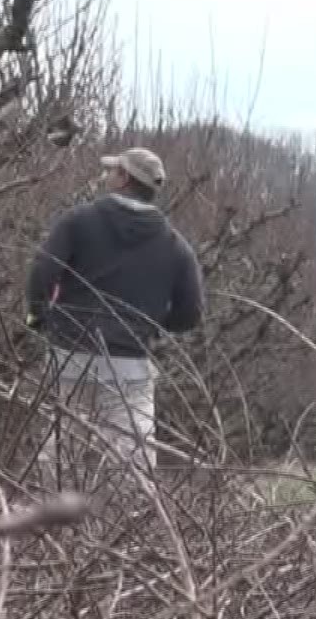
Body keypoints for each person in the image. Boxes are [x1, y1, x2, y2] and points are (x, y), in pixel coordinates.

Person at [24, 146, 204, 482]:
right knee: (132, 463)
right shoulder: (176, 245)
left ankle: (54, 513)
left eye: (112, 170)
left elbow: (43, 272)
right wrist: (151, 326)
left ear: (123, 178)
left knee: (61, 456)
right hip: (130, 364)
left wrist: (40, 317)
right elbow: (190, 313)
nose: (106, 175)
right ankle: (126, 516)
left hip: (69, 354)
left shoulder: (77, 221)